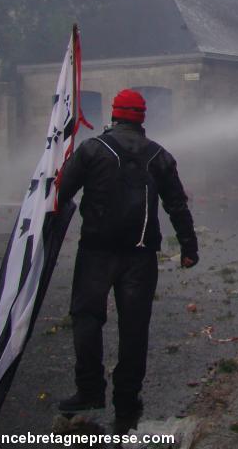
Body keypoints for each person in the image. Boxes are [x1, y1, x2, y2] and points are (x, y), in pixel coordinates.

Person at [57, 88, 199, 432]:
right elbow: (177, 205)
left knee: (87, 318)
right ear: (141, 119)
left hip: (96, 252)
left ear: (115, 115)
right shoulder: (159, 156)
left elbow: (60, 193)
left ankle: (89, 390)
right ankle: (127, 399)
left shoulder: (92, 150)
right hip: (140, 256)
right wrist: (188, 247)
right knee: (134, 328)